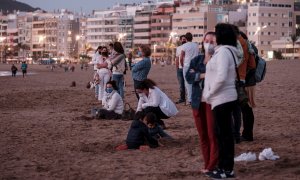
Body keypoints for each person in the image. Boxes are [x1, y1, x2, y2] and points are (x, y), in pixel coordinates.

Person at [202, 23, 238, 179]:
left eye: (216, 34)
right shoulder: (222, 51)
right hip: (221, 98)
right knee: (222, 134)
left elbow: (222, 77)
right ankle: (224, 167)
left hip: (222, 98)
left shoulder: (224, 52)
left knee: (224, 135)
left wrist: (210, 93)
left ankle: (226, 169)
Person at [186, 32, 218, 173]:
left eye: (212, 41)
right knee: (203, 136)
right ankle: (207, 165)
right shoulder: (196, 60)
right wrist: (203, 75)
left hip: (212, 102)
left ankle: (212, 165)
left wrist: (197, 75)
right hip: (197, 102)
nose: (209, 43)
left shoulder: (218, 60)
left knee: (212, 135)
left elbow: (217, 77)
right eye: (207, 40)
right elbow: (188, 76)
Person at [180, 32, 199, 105]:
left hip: (187, 65)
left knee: (187, 82)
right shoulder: (196, 45)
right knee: (195, 81)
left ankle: (190, 99)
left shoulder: (184, 46)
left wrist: (182, 65)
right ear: (192, 38)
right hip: (195, 65)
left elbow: (181, 57)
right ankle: (195, 97)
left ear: (186, 38)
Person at [175, 35, 187, 104]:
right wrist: (177, 68)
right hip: (180, 69)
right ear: (180, 40)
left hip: (187, 68)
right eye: (183, 39)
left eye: (185, 39)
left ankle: (188, 99)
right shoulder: (178, 48)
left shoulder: (188, 47)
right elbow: (177, 59)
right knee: (181, 85)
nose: (184, 40)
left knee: (187, 84)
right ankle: (182, 98)